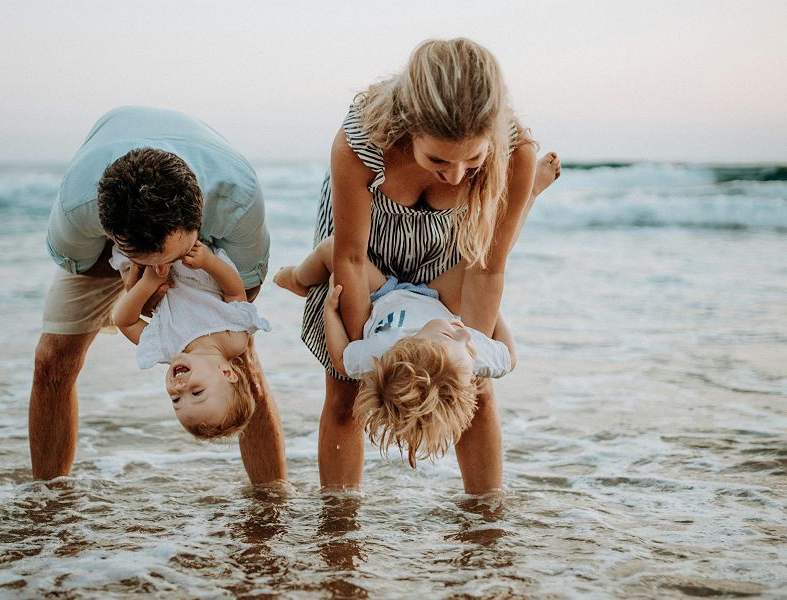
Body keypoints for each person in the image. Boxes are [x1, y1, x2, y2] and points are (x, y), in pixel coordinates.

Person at [300, 38, 561, 493]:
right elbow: (351, 258)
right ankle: (339, 529)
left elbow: (487, 267)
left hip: (452, 240)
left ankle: (485, 525)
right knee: (346, 387)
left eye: (473, 161)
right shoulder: (361, 142)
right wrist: (373, 347)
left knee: (473, 388)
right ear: (408, 129)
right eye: (437, 159)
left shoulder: (515, 151)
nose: (456, 176)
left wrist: (469, 356)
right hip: (365, 239)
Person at [30, 106, 286, 484]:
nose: (180, 390)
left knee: (244, 361)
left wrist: (196, 277)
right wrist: (134, 283)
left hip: (207, 229)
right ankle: (47, 497)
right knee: (52, 358)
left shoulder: (237, 198)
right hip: (117, 257)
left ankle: (271, 497)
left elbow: (244, 289)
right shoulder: (77, 208)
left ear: (195, 221)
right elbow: (83, 269)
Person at [275, 236, 517, 469]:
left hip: (382, 295)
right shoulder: (465, 358)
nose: (465, 334)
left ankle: (297, 279)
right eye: (470, 349)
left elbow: (341, 360)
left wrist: (330, 311)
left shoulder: (382, 351)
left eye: (449, 336)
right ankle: (528, 197)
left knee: (333, 247)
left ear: (413, 346)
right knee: (485, 257)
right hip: (439, 299)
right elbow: (509, 357)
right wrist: (495, 313)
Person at [110, 241, 271, 438]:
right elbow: (235, 292)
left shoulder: (166, 347)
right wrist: (208, 261)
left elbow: (125, 321)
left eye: (176, 400)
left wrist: (148, 283)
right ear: (227, 373)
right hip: (196, 260)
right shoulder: (234, 339)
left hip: (151, 262)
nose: (179, 388)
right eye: (197, 393)